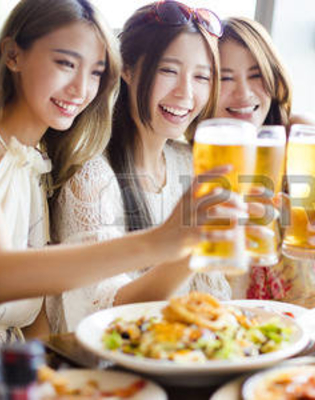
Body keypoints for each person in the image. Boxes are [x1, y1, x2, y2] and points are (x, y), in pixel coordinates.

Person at [0, 0, 240, 356]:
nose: (81, 88)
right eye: (66, 63)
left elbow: (36, 320)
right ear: (13, 55)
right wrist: (163, 241)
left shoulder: (41, 164)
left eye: (97, 72)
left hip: (5, 372)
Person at [50, 2, 266, 333]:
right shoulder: (93, 178)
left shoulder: (191, 162)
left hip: (196, 357)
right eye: (168, 71)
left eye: (202, 77)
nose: (186, 93)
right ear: (128, 69)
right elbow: (103, 315)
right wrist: (192, 244)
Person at [215, 17, 315, 307]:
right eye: (226, 78)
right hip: (244, 327)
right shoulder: (202, 152)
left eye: (256, 75)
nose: (244, 92)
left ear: (274, 78)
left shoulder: (296, 133)